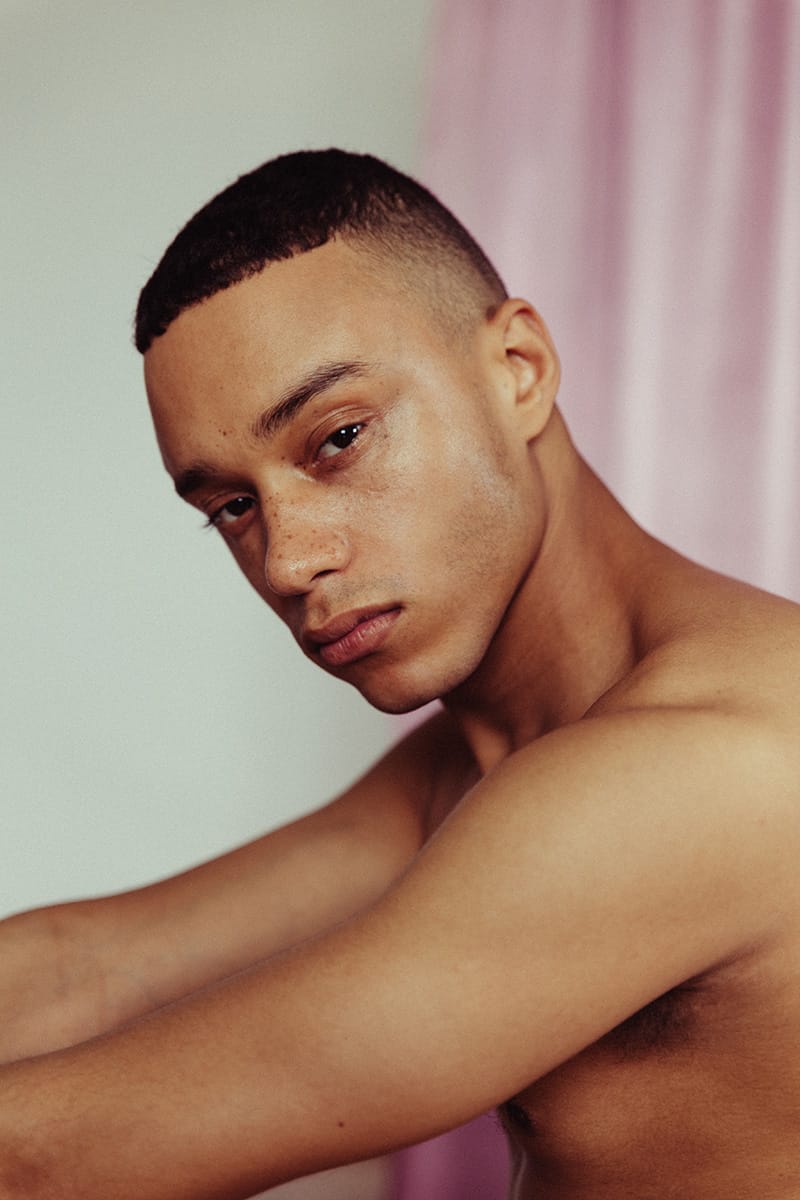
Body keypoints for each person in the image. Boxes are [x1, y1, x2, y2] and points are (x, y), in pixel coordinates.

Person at [2, 148, 799, 1200]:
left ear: (517, 369)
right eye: (232, 506)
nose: (289, 562)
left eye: (338, 439)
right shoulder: (488, 755)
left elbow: (43, 1158)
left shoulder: (706, 765)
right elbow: (89, 970)